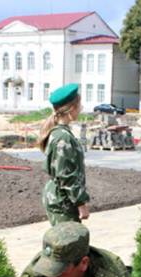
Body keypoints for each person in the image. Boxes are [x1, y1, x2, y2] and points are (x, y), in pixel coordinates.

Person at [38, 83, 90, 225]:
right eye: (79, 106)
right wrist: (81, 204)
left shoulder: (61, 133)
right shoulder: (63, 137)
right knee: (69, 245)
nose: (81, 109)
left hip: (62, 200)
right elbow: (66, 175)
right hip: (63, 203)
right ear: (71, 109)